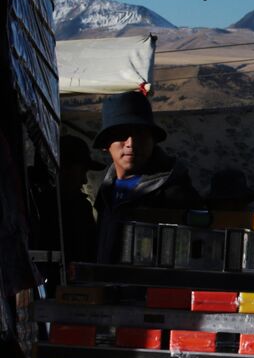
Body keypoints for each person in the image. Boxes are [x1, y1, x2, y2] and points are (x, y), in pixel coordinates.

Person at [92, 90, 201, 263]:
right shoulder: (106, 190)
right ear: (106, 144)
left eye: (140, 134)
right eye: (121, 135)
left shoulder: (175, 194)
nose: (131, 143)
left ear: (153, 140)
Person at [30, 134, 101, 269]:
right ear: (62, 169)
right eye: (81, 171)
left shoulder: (80, 207)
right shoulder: (33, 208)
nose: (84, 180)